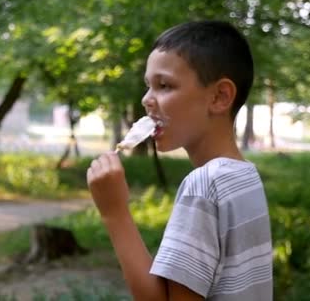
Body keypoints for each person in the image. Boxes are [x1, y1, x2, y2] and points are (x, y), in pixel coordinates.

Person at [86, 20, 272, 300]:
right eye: (148, 86)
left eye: (164, 85)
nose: (147, 99)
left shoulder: (204, 186)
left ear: (220, 97)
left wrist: (114, 212)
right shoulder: (245, 176)